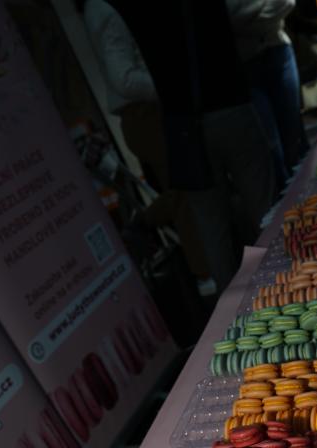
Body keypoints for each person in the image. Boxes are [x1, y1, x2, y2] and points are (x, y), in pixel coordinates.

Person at [111, 0, 275, 292]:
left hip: (182, 123)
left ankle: (238, 308)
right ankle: (288, 284)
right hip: (229, 103)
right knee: (265, 207)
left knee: (212, 228)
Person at [78, 0, 211, 284]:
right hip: (144, 113)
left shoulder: (103, 9)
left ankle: (203, 268)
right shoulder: (102, 9)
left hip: (147, 112)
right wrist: (170, 86)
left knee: (185, 191)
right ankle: (207, 275)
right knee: (184, 195)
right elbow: (124, 79)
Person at [226, 0, 308, 191]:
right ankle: (291, 206)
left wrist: (248, 17)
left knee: (295, 139)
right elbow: (228, 17)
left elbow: (286, 3)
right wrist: (263, 10)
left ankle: (313, 199)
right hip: (244, 65)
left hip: (279, 51)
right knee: (272, 153)